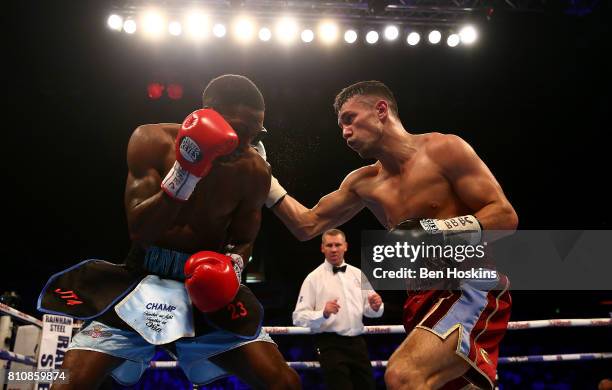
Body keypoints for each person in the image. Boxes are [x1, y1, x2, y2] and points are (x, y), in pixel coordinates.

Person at [38, 74, 301, 389]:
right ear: (209, 117)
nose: (245, 143)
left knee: (283, 382)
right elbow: (141, 230)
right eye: (239, 131)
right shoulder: (151, 140)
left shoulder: (255, 171)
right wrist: (186, 172)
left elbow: (244, 239)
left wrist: (234, 264)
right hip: (139, 278)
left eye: (255, 133)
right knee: (68, 383)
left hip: (207, 291)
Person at [266, 80, 518, 389]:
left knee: (403, 375)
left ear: (380, 110)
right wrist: (265, 179)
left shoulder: (443, 149)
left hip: (468, 287)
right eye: (341, 125)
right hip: (420, 298)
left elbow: (505, 216)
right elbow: (306, 225)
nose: (344, 132)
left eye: (349, 119)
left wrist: (433, 230)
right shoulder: (364, 182)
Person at [292, 229, 383, 390]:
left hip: (357, 342)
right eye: (329, 245)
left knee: (368, 386)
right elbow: (298, 317)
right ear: (322, 248)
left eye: (337, 245)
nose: (334, 249)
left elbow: (371, 310)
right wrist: (323, 313)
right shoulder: (313, 278)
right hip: (330, 344)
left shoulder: (357, 274)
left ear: (345, 246)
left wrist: (376, 307)